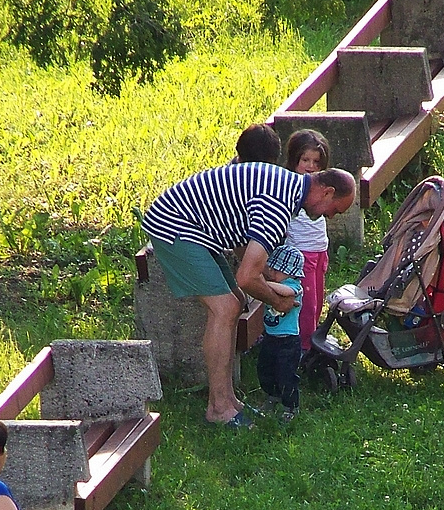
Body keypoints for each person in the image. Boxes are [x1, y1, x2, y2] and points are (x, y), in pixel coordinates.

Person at [142, 162, 356, 427]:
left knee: (236, 303)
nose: (331, 217)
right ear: (327, 192)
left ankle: (228, 399)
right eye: (335, 209)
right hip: (175, 225)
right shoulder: (279, 206)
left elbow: (244, 242)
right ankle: (218, 409)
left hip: (195, 227)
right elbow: (246, 277)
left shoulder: (285, 186)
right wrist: (279, 302)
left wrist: (266, 276)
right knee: (225, 308)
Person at [283, 129, 332, 354]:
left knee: (318, 301)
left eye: (316, 162)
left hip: (319, 250)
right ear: (294, 160)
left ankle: (312, 337)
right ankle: (303, 348)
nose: (311, 166)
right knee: (307, 304)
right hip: (300, 254)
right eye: (305, 160)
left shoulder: (321, 189)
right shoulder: (290, 188)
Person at [257, 244, 305, 421]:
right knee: (265, 370)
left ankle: (291, 406)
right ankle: (272, 395)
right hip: (270, 337)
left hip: (288, 341)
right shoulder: (275, 283)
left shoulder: (294, 286)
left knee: (286, 375)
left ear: (291, 273)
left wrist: (263, 284)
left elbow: (286, 292)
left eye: (277, 270)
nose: (273, 273)